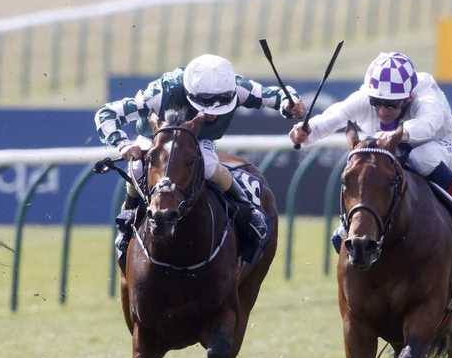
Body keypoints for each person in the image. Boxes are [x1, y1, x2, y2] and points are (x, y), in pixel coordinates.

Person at [95, 54, 303, 265]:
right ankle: (127, 218)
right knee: (138, 168)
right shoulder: (161, 92)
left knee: (210, 166)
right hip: (157, 137)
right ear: (189, 92)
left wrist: (289, 103)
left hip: (198, 139)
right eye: (205, 104)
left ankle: (247, 210)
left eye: (222, 103)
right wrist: (123, 144)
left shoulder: (237, 86)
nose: (213, 112)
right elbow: (106, 113)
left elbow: (277, 94)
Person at [290, 51, 452, 259]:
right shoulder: (365, 98)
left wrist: (399, 133)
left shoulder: (427, 96)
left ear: (408, 98)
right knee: (365, 166)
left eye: (391, 104)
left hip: (443, 146)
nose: (383, 111)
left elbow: (428, 125)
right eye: (377, 102)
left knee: (420, 156)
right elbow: (335, 115)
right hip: (396, 153)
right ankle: (349, 224)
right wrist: (305, 131)